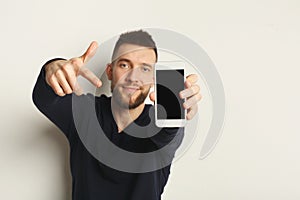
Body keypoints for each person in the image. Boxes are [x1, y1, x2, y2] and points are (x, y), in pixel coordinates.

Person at [32, 30, 202, 200]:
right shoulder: (85, 112)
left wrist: (179, 106)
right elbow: (44, 99)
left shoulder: (160, 123)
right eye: (124, 65)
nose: (133, 77)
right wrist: (53, 67)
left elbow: (169, 133)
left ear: (153, 78)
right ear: (110, 71)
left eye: (144, 68)